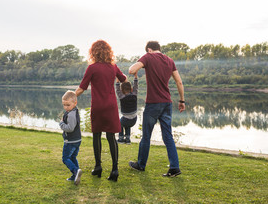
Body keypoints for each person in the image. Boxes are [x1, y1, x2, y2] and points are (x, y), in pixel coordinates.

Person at [128, 41, 185, 177]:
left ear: (149, 49)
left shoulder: (148, 57)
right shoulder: (170, 61)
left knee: (146, 135)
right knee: (168, 136)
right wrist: (182, 100)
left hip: (153, 103)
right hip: (167, 103)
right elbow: (179, 81)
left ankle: (141, 165)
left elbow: (131, 70)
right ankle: (174, 167)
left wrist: (139, 61)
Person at [75, 40, 127, 182]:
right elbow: (124, 79)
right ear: (108, 52)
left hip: (97, 106)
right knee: (111, 138)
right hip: (111, 106)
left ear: (93, 52)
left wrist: (70, 97)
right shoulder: (113, 66)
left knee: (96, 136)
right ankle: (114, 169)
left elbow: (82, 88)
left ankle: (98, 167)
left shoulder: (92, 68)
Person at [59, 90, 83, 185]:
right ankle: (75, 175)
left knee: (65, 158)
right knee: (72, 157)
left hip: (71, 141)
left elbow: (70, 128)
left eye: (68, 105)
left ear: (75, 103)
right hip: (77, 140)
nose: (65, 107)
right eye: (64, 105)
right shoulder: (74, 110)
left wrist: (61, 124)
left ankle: (75, 171)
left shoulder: (71, 114)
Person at [115, 73, 138, 145]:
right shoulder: (134, 94)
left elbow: (117, 90)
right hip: (134, 119)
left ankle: (121, 139)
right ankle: (128, 140)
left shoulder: (122, 96)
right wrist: (135, 76)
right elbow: (136, 86)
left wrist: (117, 81)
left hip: (126, 118)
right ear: (131, 89)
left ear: (122, 90)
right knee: (127, 125)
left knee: (120, 124)